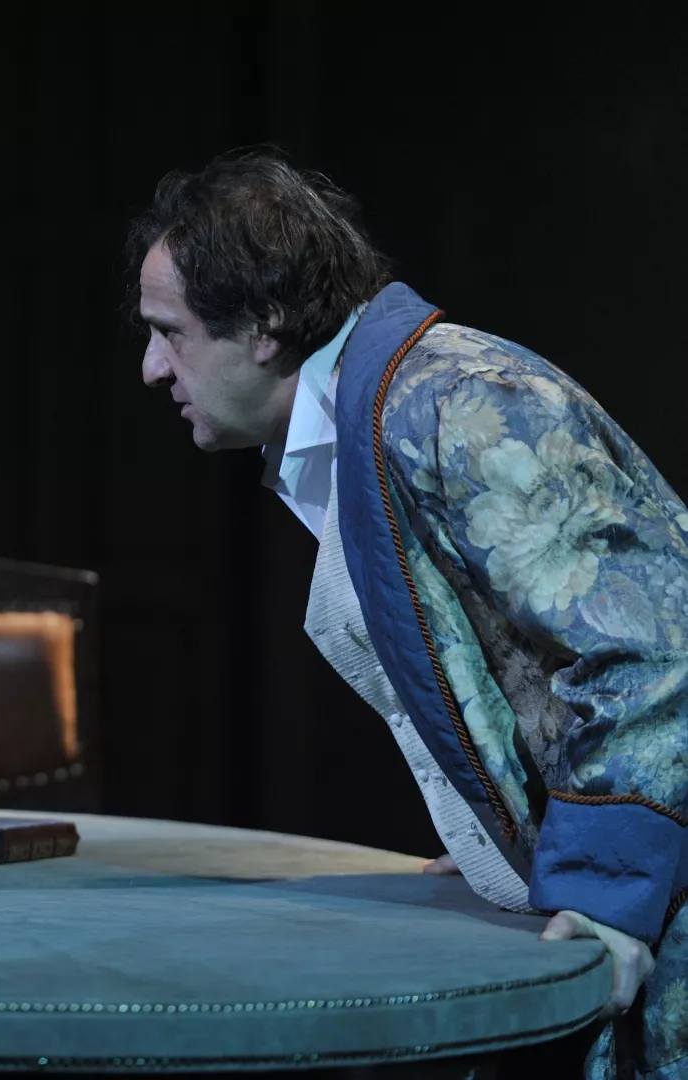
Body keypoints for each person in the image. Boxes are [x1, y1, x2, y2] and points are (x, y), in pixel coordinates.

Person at [128, 147, 687, 1079]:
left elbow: (651, 649)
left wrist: (601, 880)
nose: (152, 367)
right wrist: (513, 828)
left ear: (262, 324)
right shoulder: (381, 415)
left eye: (168, 332)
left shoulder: (458, 404)